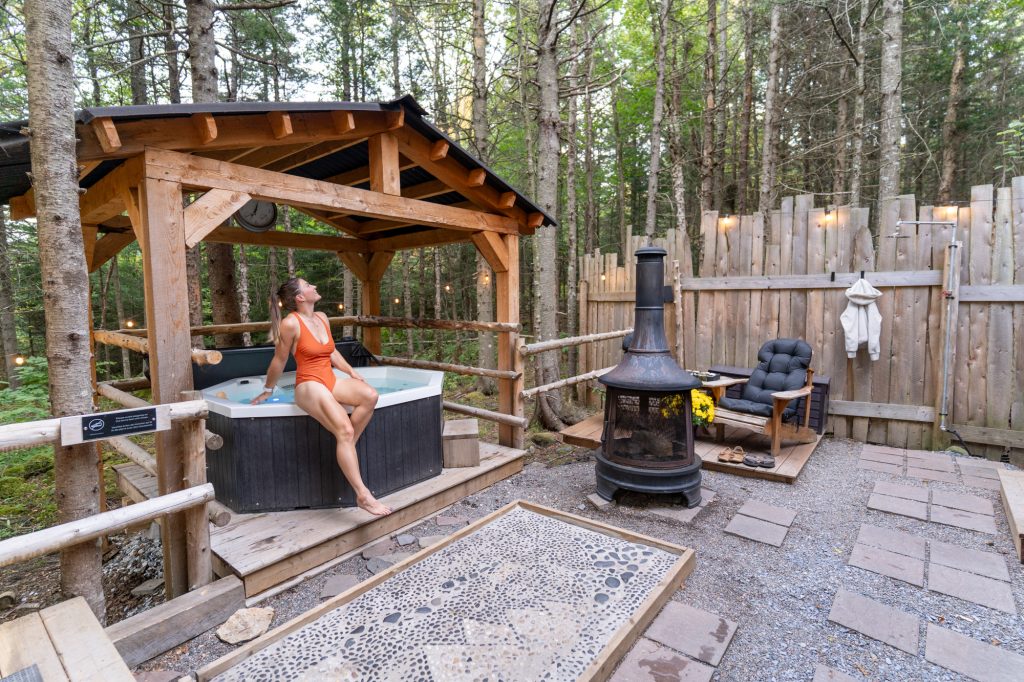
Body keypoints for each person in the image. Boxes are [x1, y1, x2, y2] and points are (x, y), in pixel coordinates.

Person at [252, 277, 391, 516]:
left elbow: (332, 351)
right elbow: (280, 359)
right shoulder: (290, 323)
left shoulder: (322, 318)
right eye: (308, 285)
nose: (314, 287)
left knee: (370, 395)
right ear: (299, 297)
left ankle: (346, 449)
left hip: (330, 378)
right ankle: (363, 495)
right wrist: (268, 389)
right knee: (345, 430)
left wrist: (351, 372)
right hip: (308, 383)